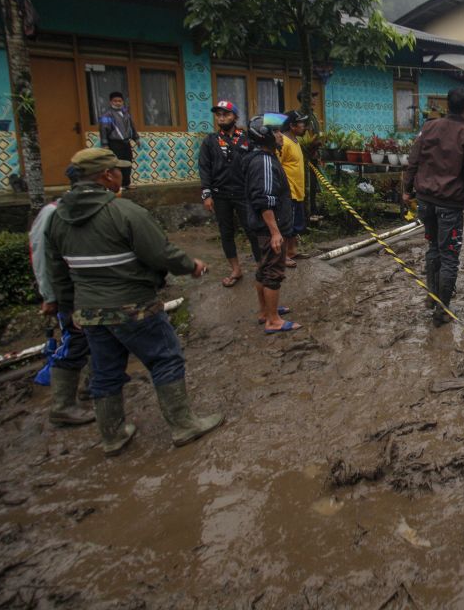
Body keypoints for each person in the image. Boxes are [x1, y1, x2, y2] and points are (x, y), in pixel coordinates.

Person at [44, 148, 221, 456]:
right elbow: (160, 253)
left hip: (90, 312)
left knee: (104, 370)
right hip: (133, 305)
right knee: (165, 358)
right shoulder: (124, 212)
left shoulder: (57, 218)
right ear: (106, 175)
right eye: (118, 170)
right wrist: (191, 265)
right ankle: (184, 425)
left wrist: (67, 308)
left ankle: (112, 435)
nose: (122, 175)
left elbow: (57, 270)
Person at [402, 87, 464, 326]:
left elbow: (413, 160)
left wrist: (406, 190)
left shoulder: (428, 127)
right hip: (450, 207)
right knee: (449, 258)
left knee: (433, 248)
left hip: (425, 202)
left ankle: (432, 297)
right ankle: (441, 310)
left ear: (447, 106)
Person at [28, 164, 94, 427]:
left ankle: (93, 384)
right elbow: (41, 256)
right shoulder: (54, 213)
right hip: (69, 294)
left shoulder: (85, 210)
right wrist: (49, 296)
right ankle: (63, 405)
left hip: (88, 291)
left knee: (98, 337)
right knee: (76, 341)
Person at [243, 114, 301, 334]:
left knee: (263, 268)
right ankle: (273, 321)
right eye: (276, 132)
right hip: (269, 228)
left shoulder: (256, 156)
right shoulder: (265, 161)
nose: (280, 136)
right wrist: (275, 232)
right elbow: (264, 199)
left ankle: (265, 311)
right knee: (273, 272)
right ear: (265, 136)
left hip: (260, 226)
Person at [198, 100, 255, 287]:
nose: (222, 117)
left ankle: (262, 265)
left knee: (252, 228)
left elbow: (255, 164)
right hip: (220, 194)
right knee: (226, 232)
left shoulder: (247, 138)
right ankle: (236, 269)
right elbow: (204, 168)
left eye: (226, 114)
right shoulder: (210, 141)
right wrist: (207, 195)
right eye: (219, 114)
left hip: (243, 193)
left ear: (235, 117)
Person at [278, 110, 309, 267]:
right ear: (292, 125)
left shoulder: (295, 141)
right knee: (285, 224)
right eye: (301, 123)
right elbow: (277, 165)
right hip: (288, 190)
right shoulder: (283, 141)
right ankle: (282, 256)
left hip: (298, 189)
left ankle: (292, 250)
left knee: (295, 223)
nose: (304, 126)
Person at [98, 91, 140, 190]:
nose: (117, 103)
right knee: (116, 165)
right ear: (110, 102)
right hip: (114, 143)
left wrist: (136, 138)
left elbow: (132, 126)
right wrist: (104, 144)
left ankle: (126, 183)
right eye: (115, 101)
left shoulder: (126, 113)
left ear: (122, 102)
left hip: (125, 143)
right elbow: (103, 129)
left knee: (127, 163)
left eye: (120, 101)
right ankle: (117, 185)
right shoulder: (107, 115)